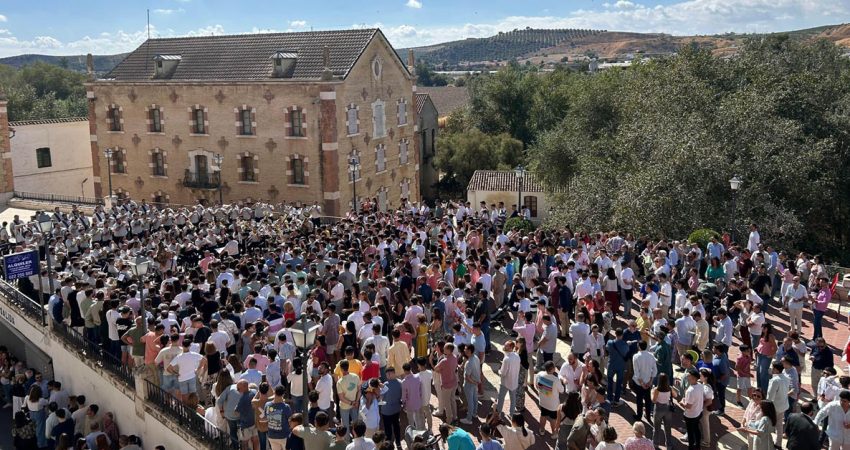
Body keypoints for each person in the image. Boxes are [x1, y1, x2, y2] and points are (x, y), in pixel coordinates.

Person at [534, 360, 564, 437]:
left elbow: (536, 385)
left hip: (543, 402)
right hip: (553, 405)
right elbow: (562, 390)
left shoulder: (539, 375)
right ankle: (554, 433)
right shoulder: (555, 380)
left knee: (543, 415)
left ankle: (541, 430)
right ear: (552, 369)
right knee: (553, 419)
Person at [766, 361, 791, 448]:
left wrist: (766, 408)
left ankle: (767, 442)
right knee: (779, 425)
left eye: (772, 368)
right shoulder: (786, 378)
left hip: (775, 407)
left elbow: (770, 397)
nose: (771, 369)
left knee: (768, 424)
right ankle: (778, 443)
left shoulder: (775, 381)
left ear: (776, 369)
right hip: (783, 405)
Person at [631, 340, 657, 421]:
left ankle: (639, 415)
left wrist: (642, 383)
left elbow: (636, 372)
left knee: (639, 399)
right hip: (648, 382)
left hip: (639, 383)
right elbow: (655, 370)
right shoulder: (651, 356)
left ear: (639, 346)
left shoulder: (636, 356)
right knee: (648, 400)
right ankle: (648, 416)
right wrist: (650, 381)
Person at [679, 369, 703, 450]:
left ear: (693, 378)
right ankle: (698, 446)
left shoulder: (690, 390)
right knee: (696, 429)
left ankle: (691, 447)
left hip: (690, 415)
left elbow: (688, 406)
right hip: (698, 412)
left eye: (688, 376)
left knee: (690, 433)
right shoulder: (700, 385)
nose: (687, 377)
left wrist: (682, 402)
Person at [495, 340, 520, 418]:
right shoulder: (517, 356)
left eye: (506, 346)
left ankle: (498, 413)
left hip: (505, 383)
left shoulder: (506, 359)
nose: (504, 346)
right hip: (514, 382)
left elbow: (503, 373)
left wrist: (499, 371)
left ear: (511, 348)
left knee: (501, 398)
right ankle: (512, 414)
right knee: (513, 399)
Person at [605, 328, 629, 405]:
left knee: (610, 382)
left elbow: (607, 350)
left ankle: (609, 398)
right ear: (622, 335)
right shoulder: (625, 345)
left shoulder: (610, 342)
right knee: (619, 383)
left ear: (615, 334)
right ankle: (616, 400)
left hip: (611, 365)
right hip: (620, 366)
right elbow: (626, 353)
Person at [264, 385, 292, 450]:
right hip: (284, 436)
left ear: (274, 392)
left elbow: (266, 417)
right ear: (283, 394)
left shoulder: (267, 405)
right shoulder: (286, 407)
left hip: (272, 436)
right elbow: (290, 420)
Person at [652, 372, 675, 448]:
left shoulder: (656, 389)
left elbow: (654, 400)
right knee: (668, 428)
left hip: (658, 409)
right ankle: (669, 445)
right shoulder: (670, 388)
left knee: (656, 428)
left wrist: (651, 392)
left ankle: (655, 444)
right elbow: (675, 395)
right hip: (667, 408)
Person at [460, 345, 481, 425]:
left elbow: (467, 377)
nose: (464, 350)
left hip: (469, 384)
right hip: (475, 382)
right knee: (475, 399)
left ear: (469, 351)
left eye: (465, 349)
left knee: (470, 402)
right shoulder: (476, 358)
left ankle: (469, 419)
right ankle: (474, 413)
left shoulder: (469, 363)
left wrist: (473, 382)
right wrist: (476, 382)